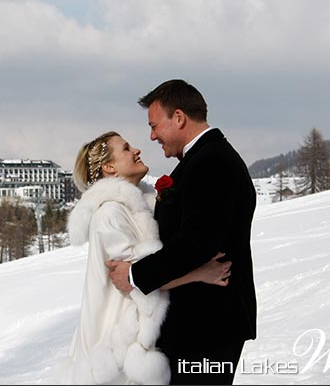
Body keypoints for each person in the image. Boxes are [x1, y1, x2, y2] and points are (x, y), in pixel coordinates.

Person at [106, 79, 257, 385]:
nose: (151, 136)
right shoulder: (202, 159)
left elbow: (197, 242)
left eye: (154, 125)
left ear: (178, 118)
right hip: (199, 323)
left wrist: (136, 275)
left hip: (208, 325)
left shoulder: (211, 161)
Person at [57, 131, 232, 385]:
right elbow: (137, 280)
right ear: (109, 167)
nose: (137, 150)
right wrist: (202, 272)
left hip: (135, 346)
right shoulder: (109, 214)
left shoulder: (140, 209)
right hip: (113, 353)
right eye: (126, 148)